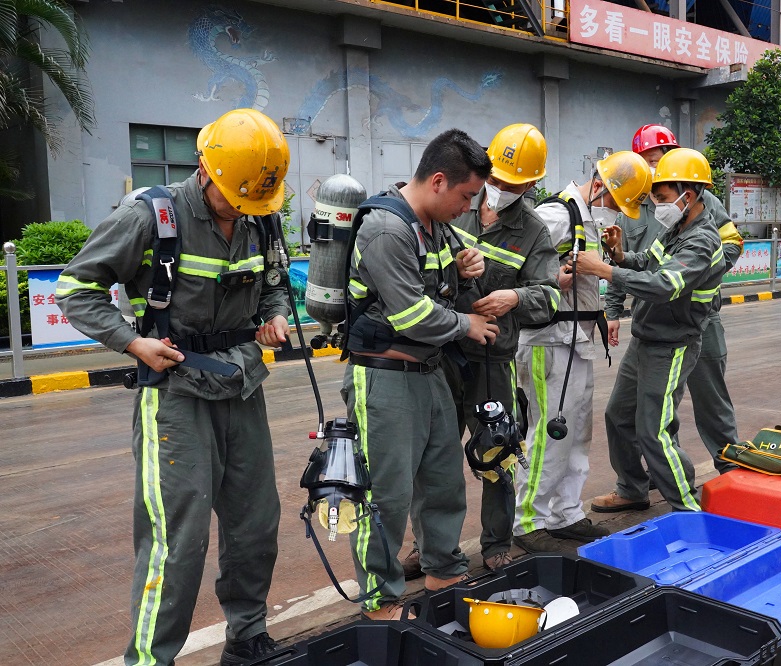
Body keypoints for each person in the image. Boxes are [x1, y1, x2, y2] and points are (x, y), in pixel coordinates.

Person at [57, 108, 293, 666]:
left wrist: (276, 315)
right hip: (175, 395)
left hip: (241, 385)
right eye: (234, 199)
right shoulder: (151, 216)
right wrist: (133, 343)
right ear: (206, 171)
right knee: (178, 539)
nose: (243, 210)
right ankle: (150, 658)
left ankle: (247, 634)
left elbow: (274, 284)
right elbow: (75, 288)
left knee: (256, 523)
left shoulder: (261, 217)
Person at [341, 128, 498, 620]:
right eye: (466, 196)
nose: (468, 207)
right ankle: (380, 599)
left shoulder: (436, 227)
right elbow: (411, 315)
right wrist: (467, 325)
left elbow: (442, 284)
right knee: (385, 495)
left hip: (430, 372)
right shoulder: (388, 229)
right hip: (386, 377)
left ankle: (444, 571)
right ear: (438, 181)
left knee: (443, 483)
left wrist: (466, 267)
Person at [401, 124, 560, 577]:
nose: (501, 189)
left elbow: (550, 296)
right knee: (432, 456)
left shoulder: (533, 231)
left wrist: (515, 298)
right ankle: (429, 546)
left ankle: (496, 545)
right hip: (443, 354)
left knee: (497, 451)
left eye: (515, 184)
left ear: (531, 184)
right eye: (497, 179)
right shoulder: (455, 207)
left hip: (492, 359)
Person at [593, 126, 744, 514]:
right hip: (647, 333)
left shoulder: (702, 234)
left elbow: (665, 283)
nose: (655, 200)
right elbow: (649, 260)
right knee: (619, 416)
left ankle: (692, 508)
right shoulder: (675, 225)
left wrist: (606, 270)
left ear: (687, 195)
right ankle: (633, 488)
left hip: (677, 336)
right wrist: (619, 256)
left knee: (659, 429)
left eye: (661, 196)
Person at [513, 151, 652, 553]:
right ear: (599, 186)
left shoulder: (588, 219)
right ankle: (528, 520)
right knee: (550, 431)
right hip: (548, 342)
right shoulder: (556, 215)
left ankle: (565, 513)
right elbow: (515, 269)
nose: (616, 212)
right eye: (614, 202)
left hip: (575, 340)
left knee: (575, 432)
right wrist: (551, 279)